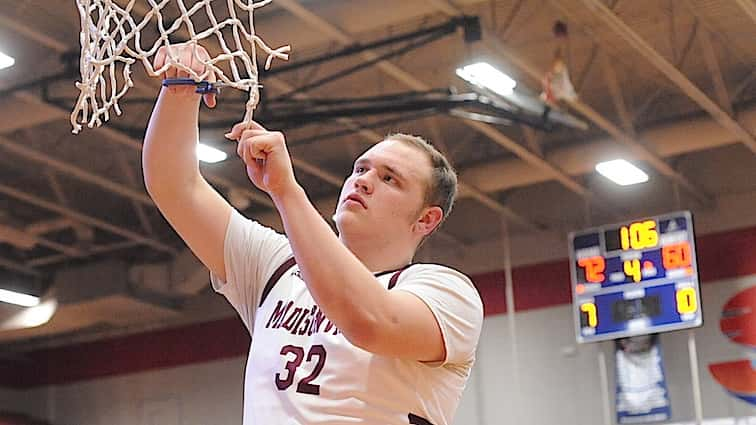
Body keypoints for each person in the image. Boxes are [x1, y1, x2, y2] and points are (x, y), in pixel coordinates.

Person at [142, 44, 483, 425]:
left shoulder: (446, 294)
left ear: (426, 220)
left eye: (389, 178)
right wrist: (179, 90)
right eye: (360, 169)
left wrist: (286, 191)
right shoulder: (276, 265)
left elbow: (368, 322)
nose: (365, 181)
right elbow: (175, 186)